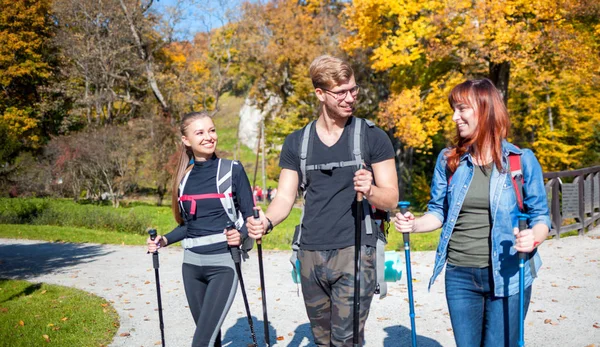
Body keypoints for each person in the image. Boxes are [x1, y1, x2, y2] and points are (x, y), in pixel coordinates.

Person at [246, 55, 398, 346]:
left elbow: (391, 197)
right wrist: (265, 221)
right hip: (310, 253)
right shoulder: (297, 142)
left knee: (346, 340)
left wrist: (371, 190)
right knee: (322, 340)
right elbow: (285, 197)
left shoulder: (372, 137)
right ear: (320, 93)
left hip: (355, 252)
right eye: (340, 93)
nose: (350, 98)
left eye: (353, 89)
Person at [395, 78, 551, 347]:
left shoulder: (520, 161)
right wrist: (414, 225)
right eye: (453, 109)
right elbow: (437, 211)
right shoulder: (450, 160)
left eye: (462, 109)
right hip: (460, 275)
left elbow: (541, 217)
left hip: (509, 271)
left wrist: (533, 239)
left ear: (485, 109)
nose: (455, 117)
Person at [146, 111, 255, 347]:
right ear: (186, 140)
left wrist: (241, 234)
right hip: (192, 266)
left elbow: (249, 218)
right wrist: (164, 240)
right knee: (211, 339)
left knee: (201, 342)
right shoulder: (183, 179)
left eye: (212, 130)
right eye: (200, 132)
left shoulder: (232, 170)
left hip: (224, 265)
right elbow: (188, 226)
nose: (209, 137)